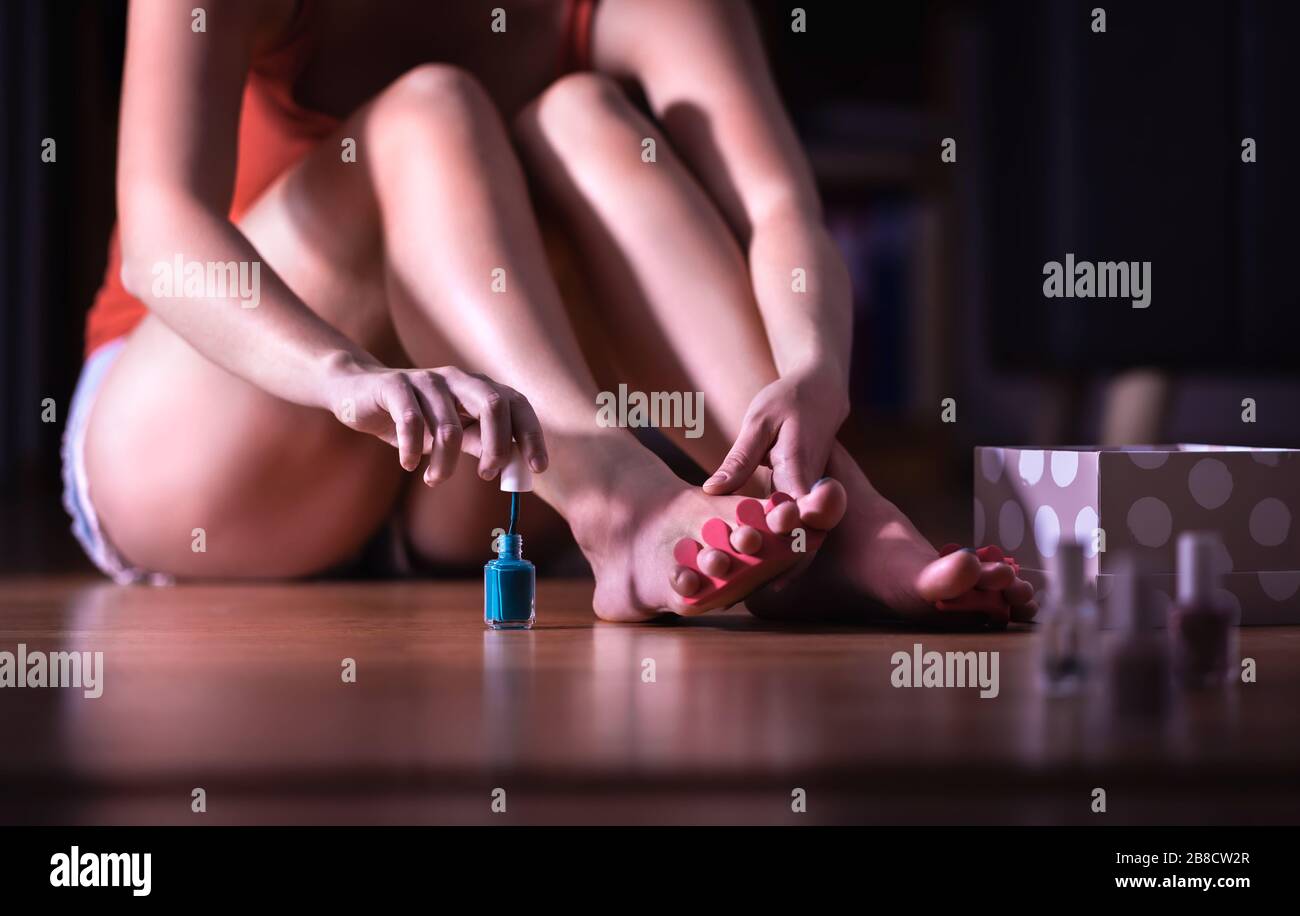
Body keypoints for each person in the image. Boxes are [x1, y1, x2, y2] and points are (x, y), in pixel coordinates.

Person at [66, 0, 1035, 623]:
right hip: (214, 445)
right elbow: (164, 237)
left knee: (588, 124)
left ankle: (821, 510)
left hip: (475, 484)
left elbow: (778, 207)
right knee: (431, 110)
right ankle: (620, 500)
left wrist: (816, 371)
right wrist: (343, 376)